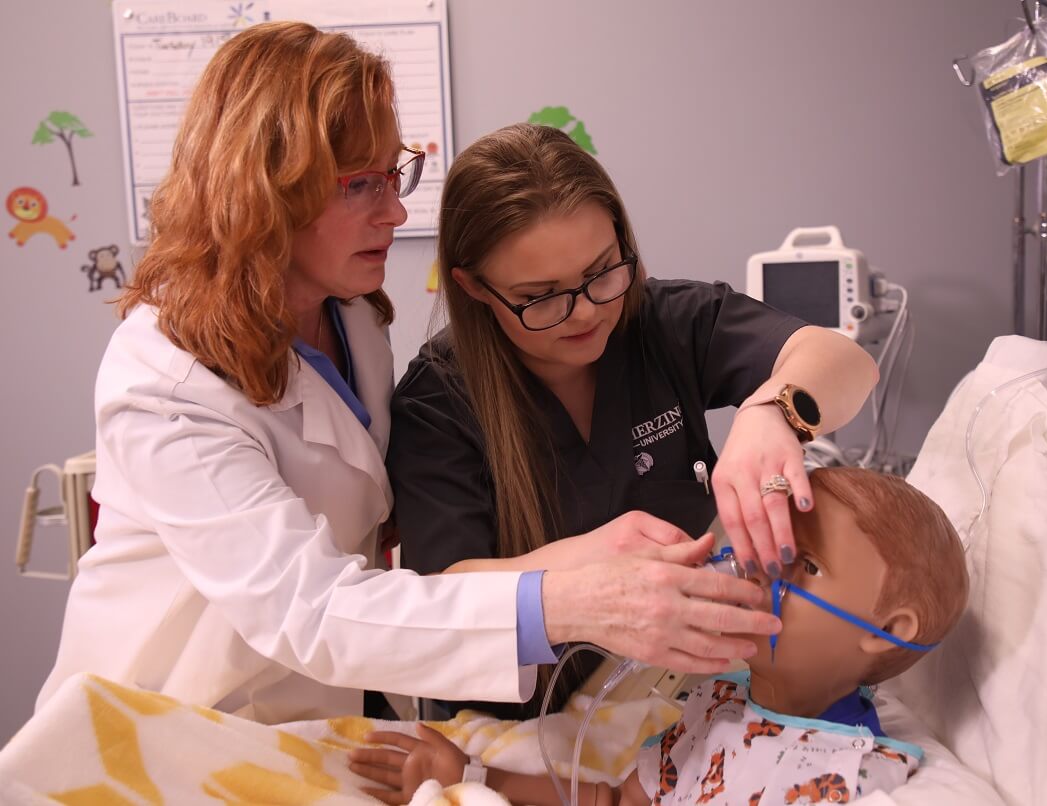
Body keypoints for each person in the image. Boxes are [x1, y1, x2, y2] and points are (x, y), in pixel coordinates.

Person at [35, 22, 781, 726]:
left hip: (313, 710)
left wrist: (771, 411)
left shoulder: (356, 323)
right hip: (164, 718)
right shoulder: (165, 382)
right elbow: (312, 608)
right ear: (262, 192)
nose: (396, 212)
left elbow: (367, 524)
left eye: (395, 173)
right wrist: (566, 602)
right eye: (361, 184)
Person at [387, 123, 879, 716]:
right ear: (473, 288)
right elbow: (440, 597)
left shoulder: (666, 323)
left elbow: (846, 363)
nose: (586, 312)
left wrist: (773, 412)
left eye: (602, 272)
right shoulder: (438, 402)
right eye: (542, 296)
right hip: (514, 728)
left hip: (669, 701)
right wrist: (584, 566)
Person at [348, 467, 970, 805]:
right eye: (769, 549)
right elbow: (620, 803)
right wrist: (475, 777)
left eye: (805, 567)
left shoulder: (855, 776)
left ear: (888, 633)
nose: (758, 573)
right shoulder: (719, 705)